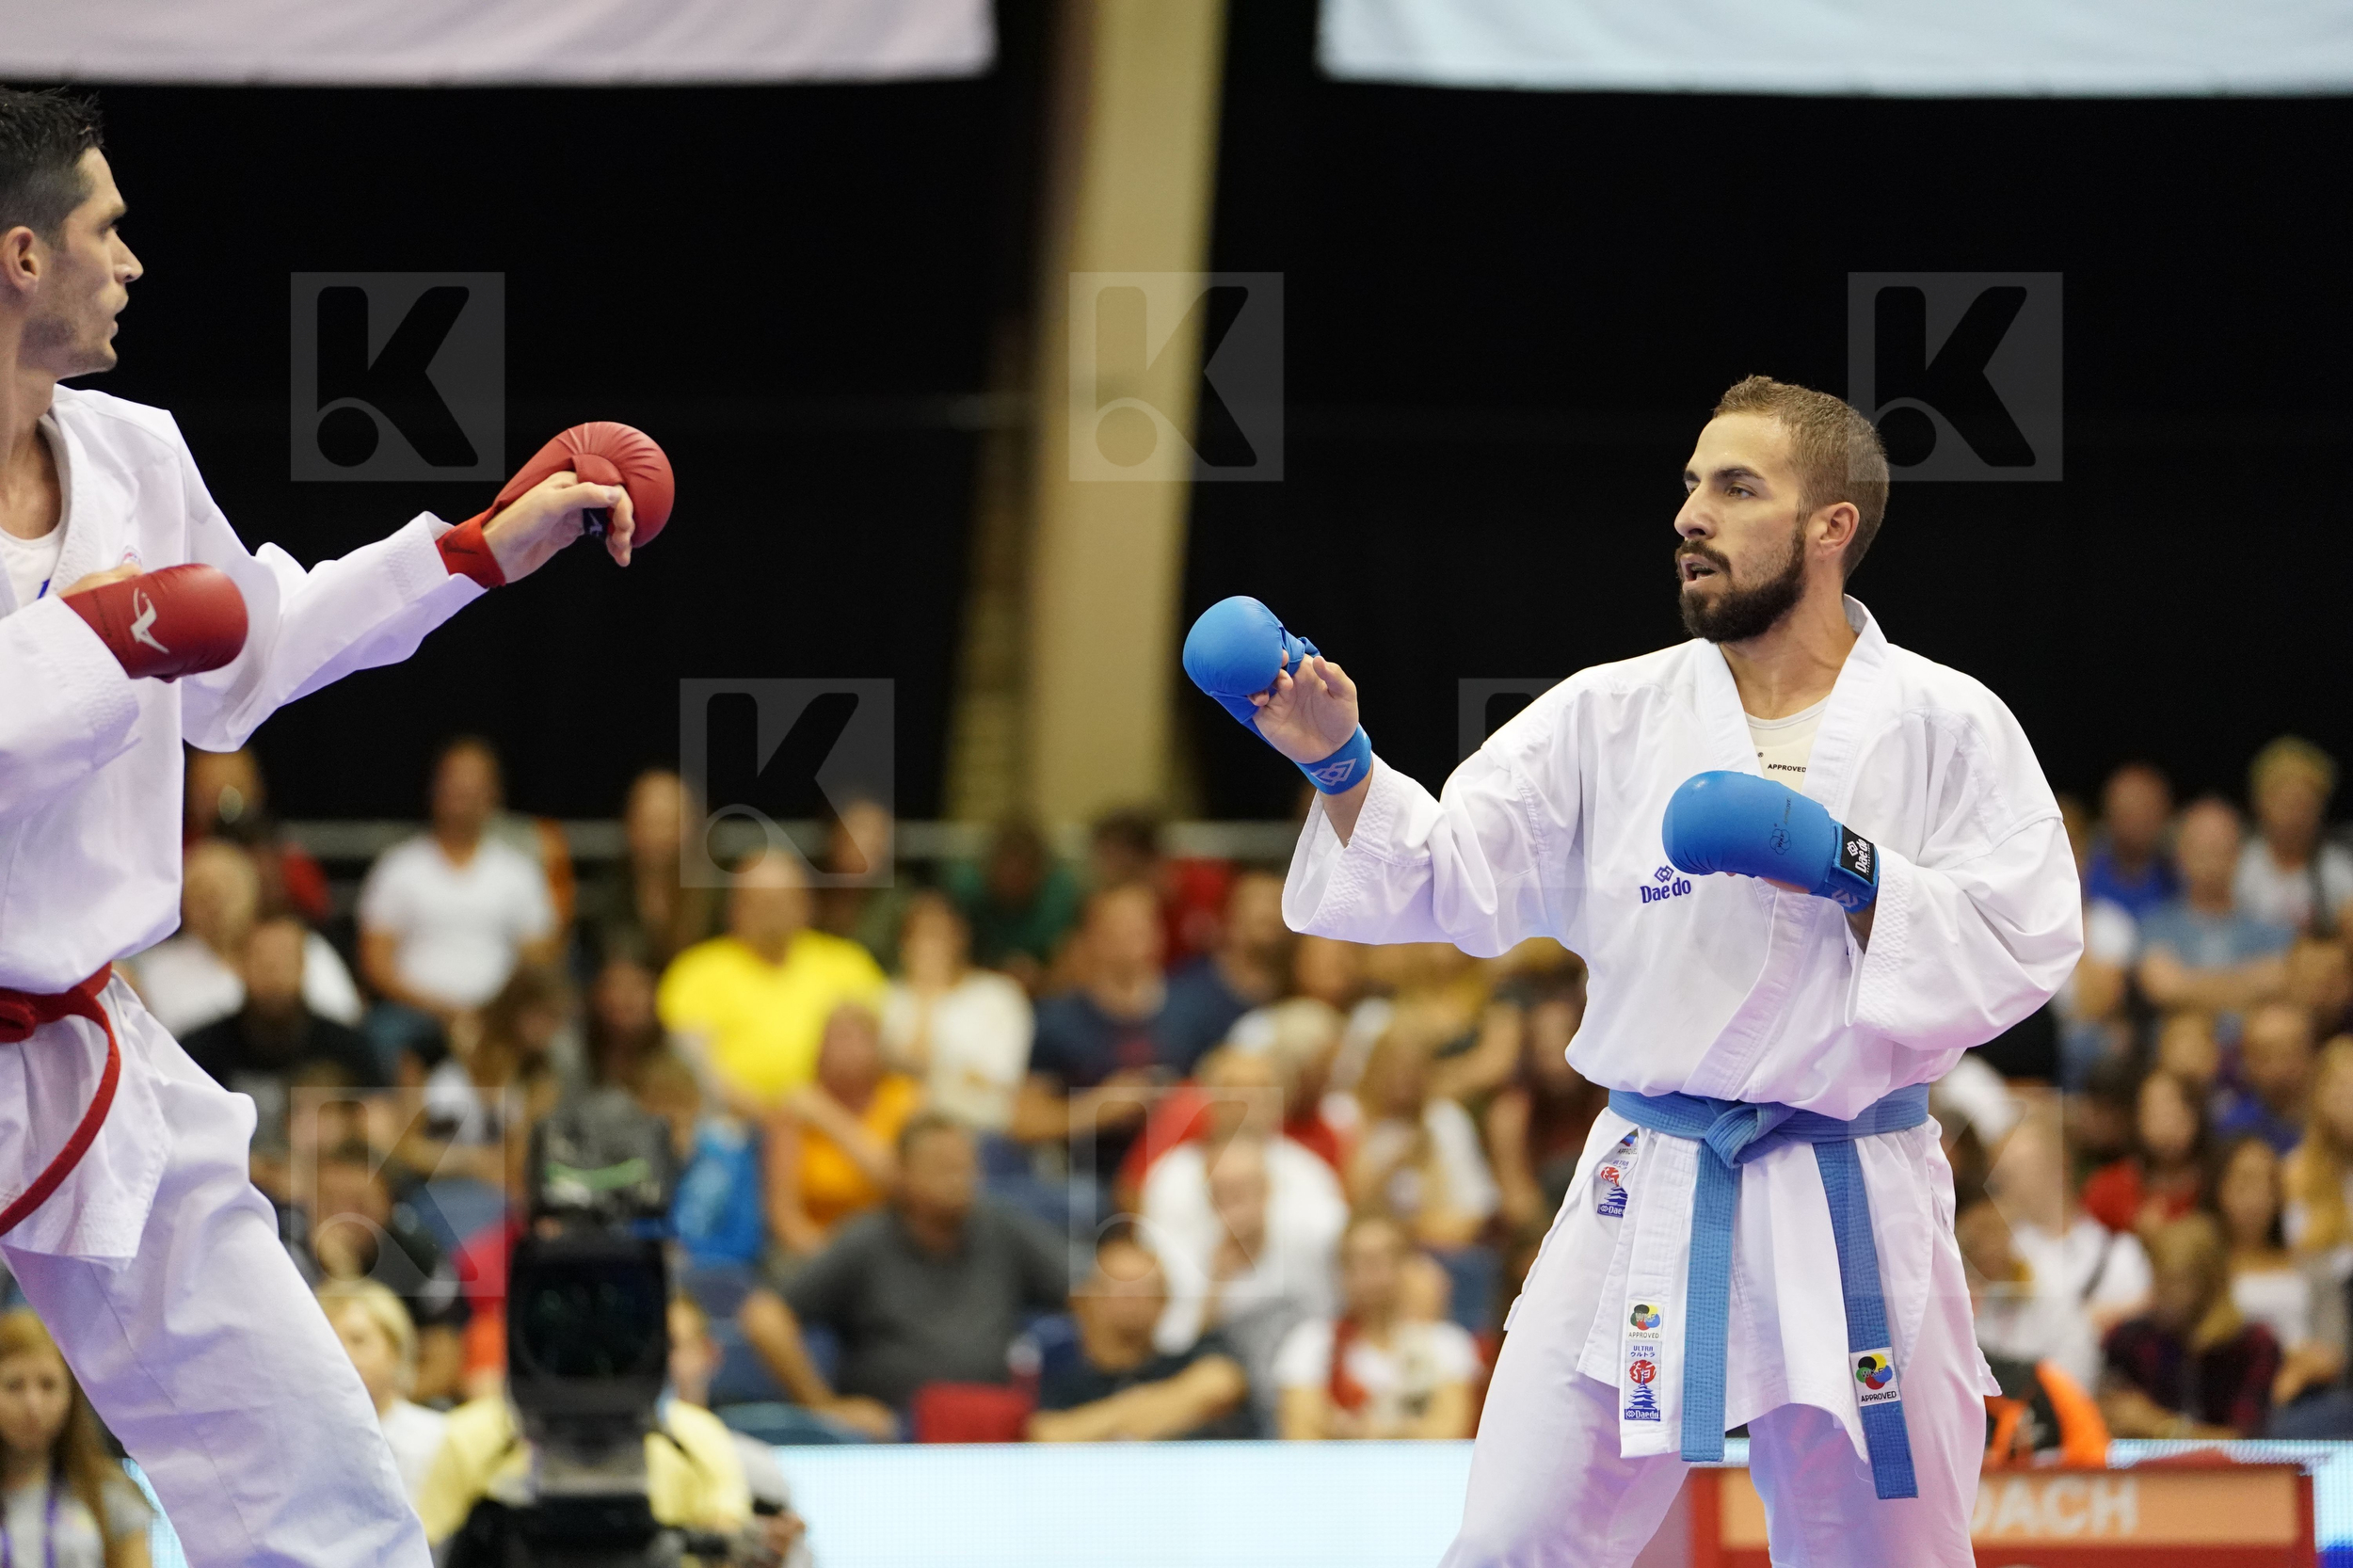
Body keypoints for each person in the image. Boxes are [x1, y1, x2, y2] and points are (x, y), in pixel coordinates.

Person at [1211, 376, 2080, 1563]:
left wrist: (1852, 867)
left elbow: (2030, 939)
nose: (1690, 515)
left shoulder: (1949, 722)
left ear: (1832, 527)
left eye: (1735, 488)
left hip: (1855, 1189)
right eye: (1688, 486)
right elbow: (1449, 872)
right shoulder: (1606, 714)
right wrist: (1340, 764)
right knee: (1513, 1540)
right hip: (1648, 1179)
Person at [0, 88, 654, 1567]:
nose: (135, 262)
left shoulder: (133, 455)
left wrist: (474, 553)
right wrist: (99, 639)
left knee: (312, 1469)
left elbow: (247, 656)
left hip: (82, 1046)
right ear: (22, 254)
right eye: (106, 228)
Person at [738, 1114, 1067, 1432]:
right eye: (942, 1166)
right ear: (902, 1174)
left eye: (966, 1165)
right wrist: (824, 1408)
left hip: (990, 1433)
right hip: (891, 1437)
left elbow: (1087, 1294)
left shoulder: (1002, 1229)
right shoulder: (865, 1241)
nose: (958, 1177)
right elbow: (765, 1318)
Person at [416, 1328, 751, 1548]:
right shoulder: (468, 1435)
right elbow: (425, 1553)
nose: (590, 1350)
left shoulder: (697, 1437)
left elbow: (728, 1535)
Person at [357, 738, 560, 1048]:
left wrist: (493, 1008)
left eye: (473, 782)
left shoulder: (520, 872)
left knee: (552, 1036)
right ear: (435, 789)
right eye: (453, 780)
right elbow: (376, 961)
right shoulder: (398, 867)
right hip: (416, 1014)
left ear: (494, 793)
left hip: (499, 1014)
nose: (462, 792)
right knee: (377, 1034)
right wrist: (443, 1008)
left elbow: (538, 957)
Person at [657, 851, 888, 1113]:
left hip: (839, 1120)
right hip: (729, 1125)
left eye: (783, 901)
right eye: (761, 902)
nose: (772, 914)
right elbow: (694, 1068)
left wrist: (819, 1115)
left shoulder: (850, 965)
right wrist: (770, 1117)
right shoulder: (695, 971)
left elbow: (875, 1056)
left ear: (806, 903)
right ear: (735, 907)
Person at [179, 915, 384, 1195]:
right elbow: (185, 1138)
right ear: (239, 966)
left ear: (303, 966)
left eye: (285, 959)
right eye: (262, 960)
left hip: (328, 1193)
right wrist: (262, 1172)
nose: (274, 972)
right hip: (229, 1190)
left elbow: (380, 1133)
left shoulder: (347, 1045)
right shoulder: (198, 1049)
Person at [1015, 884, 1182, 1197]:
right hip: (1089, 1181)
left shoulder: (1190, 1010)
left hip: (1175, 1177)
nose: (1131, 939)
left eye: (1140, 926)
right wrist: (1101, 1107)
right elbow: (1024, 1122)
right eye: (1117, 929)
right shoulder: (1059, 1020)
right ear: (1091, 939)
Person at [1027, 1225, 1253, 1441]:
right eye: (1120, 1289)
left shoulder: (1185, 1361)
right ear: (1091, 1299)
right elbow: (1047, 1435)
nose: (1132, 1301)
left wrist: (1092, 1427)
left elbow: (1220, 1384)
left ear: (1165, 1301)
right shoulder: (1066, 1376)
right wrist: (1147, 1411)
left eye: (1146, 1290)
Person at [1272, 1213, 1481, 1441]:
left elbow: (1451, 1432)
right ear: (1340, 1272)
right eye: (1357, 1261)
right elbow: (1300, 1436)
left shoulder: (1446, 1342)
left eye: (1381, 1260)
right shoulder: (1310, 1341)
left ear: (1406, 1266)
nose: (1370, 1274)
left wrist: (1378, 1433)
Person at [2100, 1212, 2281, 1438]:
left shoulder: (2252, 1346)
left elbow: (2245, 1443)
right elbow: (2107, 1422)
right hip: (2144, 1469)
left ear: (2210, 1282)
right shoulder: (2130, 1341)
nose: (2164, 1294)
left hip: (2226, 1473)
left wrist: (2162, 1426)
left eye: (2177, 1282)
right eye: (2158, 1279)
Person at [765, 1000, 920, 1259]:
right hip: (815, 1249)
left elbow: (902, 1186)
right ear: (820, 1049)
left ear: (879, 1050)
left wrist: (827, 1117)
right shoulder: (795, 1108)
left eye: (858, 1040)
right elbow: (784, 1216)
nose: (846, 1050)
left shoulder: (906, 1100)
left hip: (896, 1249)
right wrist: (833, 1261)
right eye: (837, 1040)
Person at [0, 1309, 150, 1568]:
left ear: (72, 1396)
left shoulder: (110, 1492)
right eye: (14, 1385)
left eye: (48, 1385)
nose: (32, 1405)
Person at [878, 891, 1032, 1136]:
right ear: (902, 946)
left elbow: (998, 1084)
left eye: (938, 936)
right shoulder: (885, 998)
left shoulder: (998, 995)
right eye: (917, 936)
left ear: (960, 938)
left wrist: (920, 1069)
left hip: (978, 1131)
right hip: (898, 1133)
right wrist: (925, 1000)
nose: (928, 947)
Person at [2207, 1134, 2341, 1408]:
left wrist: (2295, 1373)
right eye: (2243, 1183)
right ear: (2218, 1188)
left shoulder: (2313, 1266)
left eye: (2266, 1184)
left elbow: (2334, 1351)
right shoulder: (2202, 1267)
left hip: (2301, 1397)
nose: (2254, 1199)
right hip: (2223, 1394)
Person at [2136, 798, 2295, 1016]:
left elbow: (2278, 982)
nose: (2210, 860)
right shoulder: (2155, 925)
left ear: (2238, 854)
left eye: (2220, 848)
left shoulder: (2271, 927)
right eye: (2200, 849)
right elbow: (2164, 988)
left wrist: (2186, 983)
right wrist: (2248, 983)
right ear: (2180, 856)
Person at [316, 1279, 447, 1506]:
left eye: (358, 1341)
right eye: (331, 1342)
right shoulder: (308, 1445)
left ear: (396, 1351)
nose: (344, 1356)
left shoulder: (439, 1439)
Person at [583, 768, 718, 972]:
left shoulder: (718, 900)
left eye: (669, 823)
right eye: (649, 822)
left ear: (694, 827)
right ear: (630, 823)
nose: (659, 835)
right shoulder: (607, 896)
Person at [1159, 870, 1293, 1074]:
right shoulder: (1189, 997)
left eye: (1278, 903)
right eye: (1258, 907)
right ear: (1230, 920)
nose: (1271, 913)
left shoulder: (1301, 986)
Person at [944, 818, 1080, 994]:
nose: (1012, 879)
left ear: (1038, 873)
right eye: (1006, 869)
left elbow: (1073, 962)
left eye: (1022, 872)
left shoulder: (1062, 899)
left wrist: (1041, 976)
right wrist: (996, 975)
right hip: (978, 990)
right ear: (989, 868)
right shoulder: (966, 896)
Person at [2235, 737, 2353, 936]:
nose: (2295, 816)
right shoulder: (2239, 864)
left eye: (2304, 804)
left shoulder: (2337, 870)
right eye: (2285, 803)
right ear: (2259, 805)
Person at [2080, 1068, 2210, 1237]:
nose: (2167, 1122)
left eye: (2177, 1107)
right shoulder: (2108, 1189)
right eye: (2155, 1111)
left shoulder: (2218, 1187)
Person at [2213, 1000, 2317, 1154]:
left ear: (2311, 1054)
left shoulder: (2335, 1121)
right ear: (2246, 1062)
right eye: (2264, 1056)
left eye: (2287, 1053)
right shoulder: (2233, 1129)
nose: (2278, 1067)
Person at [2083, 762, 2177, 920]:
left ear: (2165, 814)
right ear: (2107, 813)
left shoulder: (2181, 879)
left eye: (2145, 810)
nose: (2136, 821)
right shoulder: (2082, 875)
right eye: (2127, 811)